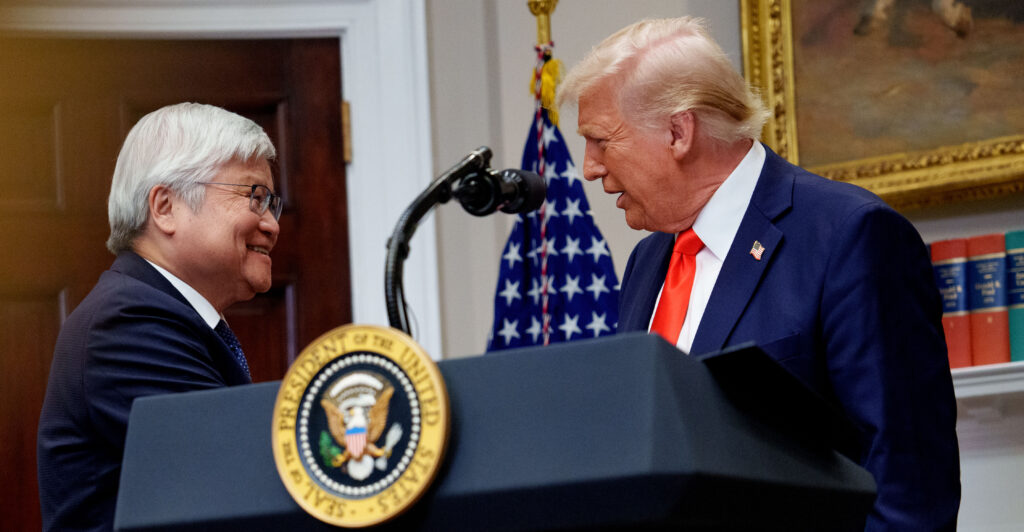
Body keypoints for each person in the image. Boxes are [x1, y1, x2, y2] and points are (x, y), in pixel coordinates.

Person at [557, 17, 959, 531]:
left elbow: (908, 486)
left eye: (601, 140)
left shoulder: (850, 236)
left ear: (679, 132)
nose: (589, 167)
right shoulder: (647, 261)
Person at [37, 102, 281, 532]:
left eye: (271, 203)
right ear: (165, 207)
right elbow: (241, 487)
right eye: (254, 197)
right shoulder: (129, 324)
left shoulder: (161, 313)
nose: (272, 225)